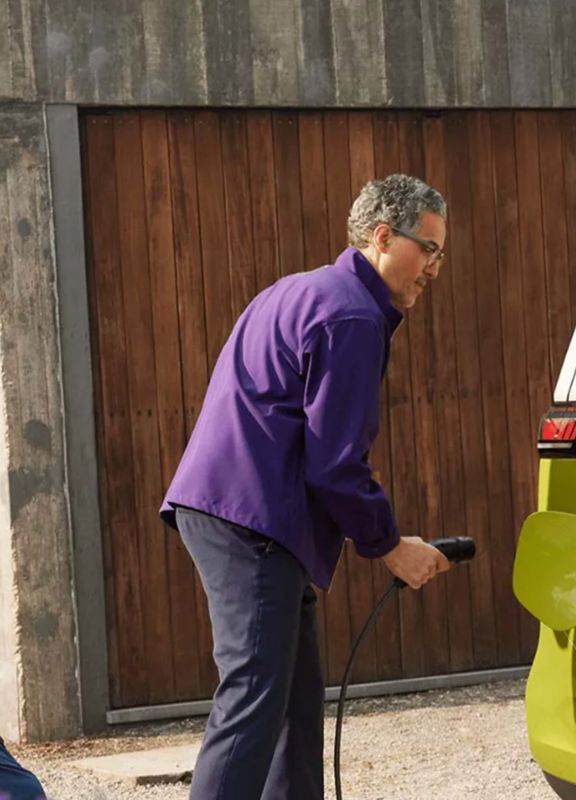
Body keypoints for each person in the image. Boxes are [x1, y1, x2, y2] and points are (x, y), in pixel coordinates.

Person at [160, 174, 451, 800]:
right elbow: (335, 464)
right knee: (254, 700)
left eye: (439, 253)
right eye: (427, 249)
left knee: (292, 707)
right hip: (254, 521)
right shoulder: (350, 316)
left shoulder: (297, 291)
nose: (434, 267)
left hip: (238, 513)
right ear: (382, 237)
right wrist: (389, 544)